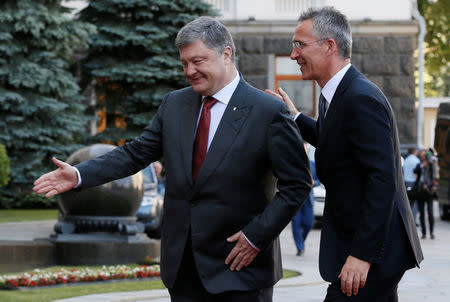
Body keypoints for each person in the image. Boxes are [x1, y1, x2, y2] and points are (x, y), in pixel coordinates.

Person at [33, 16, 312, 302]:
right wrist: (79, 175)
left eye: (198, 61)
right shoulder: (175, 104)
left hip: (241, 271)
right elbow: (135, 153)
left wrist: (256, 237)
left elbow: (298, 185)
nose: (189, 71)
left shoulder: (268, 111)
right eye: (184, 63)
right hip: (183, 273)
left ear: (226, 54)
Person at [266, 7, 423, 301]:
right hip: (363, 250)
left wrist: (363, 255)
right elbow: (335, 141)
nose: (293, 55)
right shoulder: (338, 93)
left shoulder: (360, 97)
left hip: (371, 256)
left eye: (299, 44)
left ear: (329, 46)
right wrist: (296, 117)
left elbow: (382, 179)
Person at [292, 144, 319, 256]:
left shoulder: (312, 165)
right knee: (296, 224)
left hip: (308, 199)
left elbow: (318, 180)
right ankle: (300, 247)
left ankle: (301, 242)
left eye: (305, 148)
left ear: (307, 149)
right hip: (296, 199)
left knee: (309, 223)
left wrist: (314, 183)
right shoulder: (293, 165)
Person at [414, 149, 436, 239]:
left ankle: (431, 232)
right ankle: (424, 233)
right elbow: (415, 171)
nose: (423, 157)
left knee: (430, 212)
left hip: (429, 191)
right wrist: (422, 166)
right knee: (422, 213)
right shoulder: (419, 164)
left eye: (425, 155)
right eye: (422, 155)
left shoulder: (431, 164)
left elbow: (435, 175)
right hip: (420, 191)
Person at [403, 146, 420, 223]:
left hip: (406, 182)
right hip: (413, 182)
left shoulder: (406, 160)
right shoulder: (416, 160)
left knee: (407, 201)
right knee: (415, 202)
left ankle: (406, 219)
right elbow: (418, 172)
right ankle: (413, 220)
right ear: (414, 151)